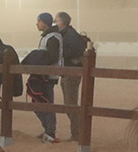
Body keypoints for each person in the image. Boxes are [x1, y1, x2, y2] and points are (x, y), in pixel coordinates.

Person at [22, 12, 62, 142]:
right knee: (39, 103)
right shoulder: (48, 36)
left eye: (39, 21)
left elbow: (53, 57)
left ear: (44, 22)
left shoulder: (52, 37)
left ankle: (50, 132)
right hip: (44, 75)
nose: (37, 24)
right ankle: (48, 130)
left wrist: (37, 59)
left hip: (48, 76)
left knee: (46, 103)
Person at [55, 11, 88, 141]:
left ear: (62, 22)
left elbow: (74, 51)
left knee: (71, 104)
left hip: (72, 73)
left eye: (56, 21)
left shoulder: (70, 35)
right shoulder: (67, 34)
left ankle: (78, 133)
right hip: (67, 72)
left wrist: (60, 52)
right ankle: (77, 132)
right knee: (69, 104)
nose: (55, 23)